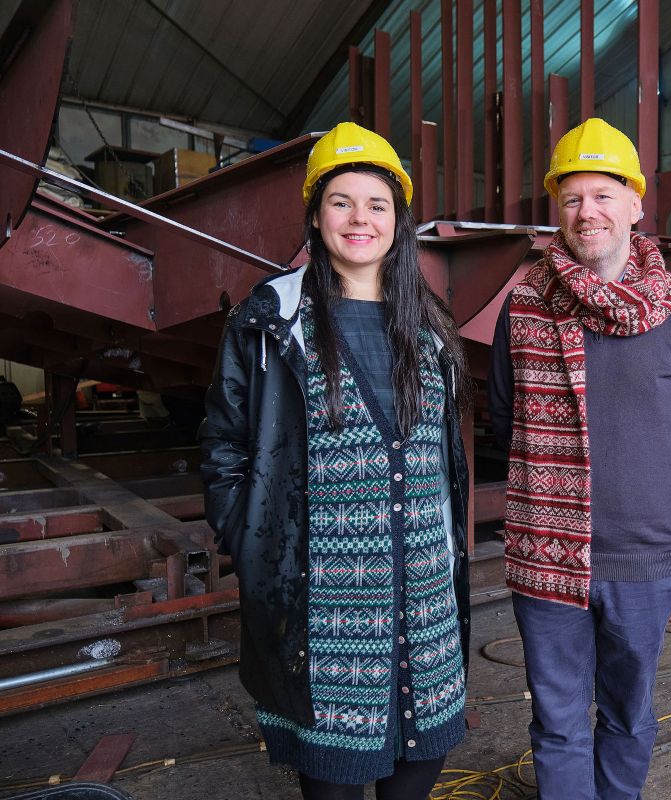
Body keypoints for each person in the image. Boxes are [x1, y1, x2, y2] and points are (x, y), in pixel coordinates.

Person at [199, 122, 471, 800]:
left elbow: (442, 456)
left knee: (418, 773)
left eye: (377, 204)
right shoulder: (271, 320)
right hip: (327, 619)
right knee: (334, 783)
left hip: (427, 609)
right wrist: (258, 544)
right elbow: (223, 444)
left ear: (398, 221)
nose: (360, 218)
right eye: (341, 202)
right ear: (316, 217)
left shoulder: (429, 325)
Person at [487, 117, 671, 800]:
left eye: (602, 195)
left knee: (628, 712)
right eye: (571, 198)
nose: (586, 212)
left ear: (636, 204)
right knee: (558, 722)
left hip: (642, 558)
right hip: (544, 551)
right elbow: (505, 416)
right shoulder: (524, 302)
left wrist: (640, 487)